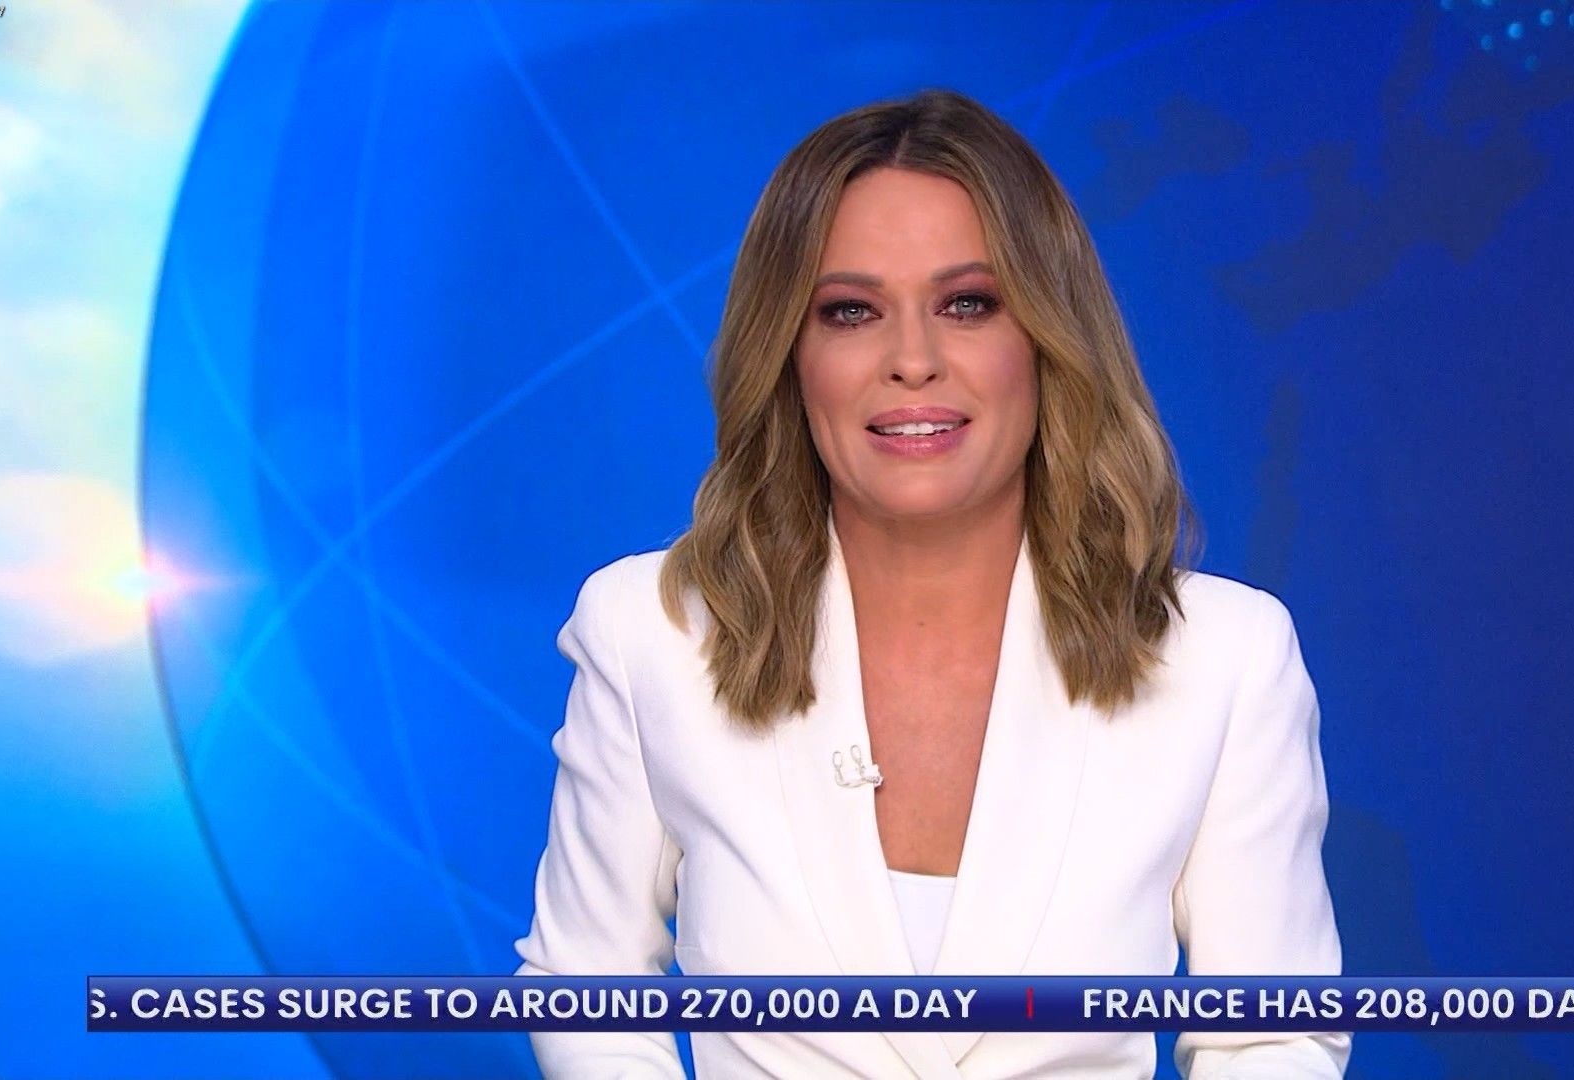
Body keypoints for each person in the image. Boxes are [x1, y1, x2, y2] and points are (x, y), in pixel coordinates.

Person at [514, 87, 1349, 1079]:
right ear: (790, 354)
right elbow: (585, 987)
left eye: (968, 304)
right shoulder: (650, 632)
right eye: (851, 311)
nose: (912, 361)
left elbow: (1271, 1033)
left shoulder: (1226, 659)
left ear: (1046, 337)